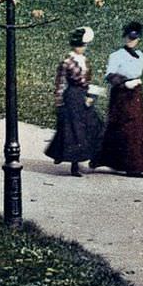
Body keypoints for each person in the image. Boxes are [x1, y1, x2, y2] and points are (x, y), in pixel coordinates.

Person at [92, 21, 143, 177]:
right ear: (124, 37)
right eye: (128, 37)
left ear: (138, 39)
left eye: (134, 38)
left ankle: (135, 165)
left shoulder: (139, 55)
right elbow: (110, 75)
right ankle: (128, 166)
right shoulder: (117, 55)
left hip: (136, 94)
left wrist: (141, 62)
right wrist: (125, 83)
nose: (131, 41)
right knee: (123, 127)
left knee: (137, 127)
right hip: (122, 93)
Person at [45, 26, 105, 177]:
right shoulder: (67, 62)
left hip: (84, 95)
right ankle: (74, 165)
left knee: (94, 125)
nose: (82, 48)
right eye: (80, 46)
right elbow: (60, 83)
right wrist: (59, 103)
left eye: (83, 46)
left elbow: (87, 80)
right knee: (75, 130)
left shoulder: (84, 60)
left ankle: (92, 158)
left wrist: (92, 94)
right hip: (72, 97)